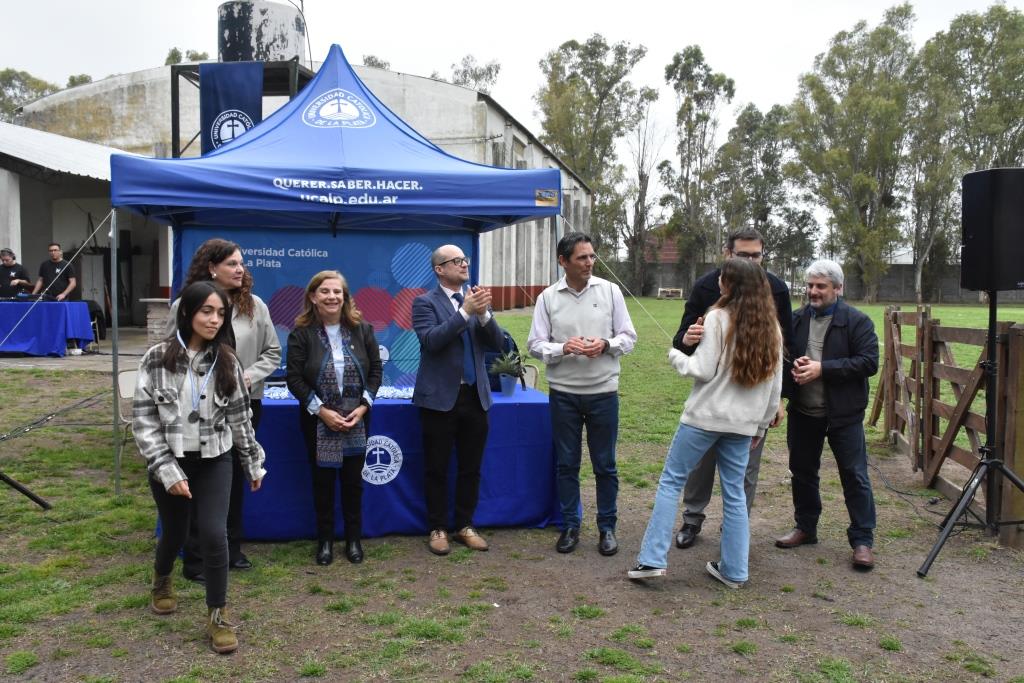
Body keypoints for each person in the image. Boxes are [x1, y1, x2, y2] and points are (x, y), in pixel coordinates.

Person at [628, 258, 782, 588]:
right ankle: (735, 571)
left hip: (703, 419)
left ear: (734, 285)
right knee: (735, 494)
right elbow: (775, 388)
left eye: (724, 279)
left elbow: (701, 369)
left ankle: (652, 560)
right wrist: (761, 425)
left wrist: (675, 356)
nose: (719, 284)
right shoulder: (773, 328)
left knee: (671, 482)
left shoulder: (717, 318)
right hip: (743, 425)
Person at [132, 281, 266, 654]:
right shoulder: (156, 359)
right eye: (207, 310)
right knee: (174, 533)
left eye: (220, 313)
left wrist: (252, 462)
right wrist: (167, 470)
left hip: (215, 460)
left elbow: (241, 419)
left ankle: (218, 615)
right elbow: (143, 424)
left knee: (213, 533)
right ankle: (162, 579)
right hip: (170, 461)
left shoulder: (227, 361)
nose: (214, 319)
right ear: (188, 312)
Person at [671, 227, 793, 550]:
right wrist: (688, 339)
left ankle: (734, 531)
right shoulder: (706, 287)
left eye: (756, 255)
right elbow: (682, 336)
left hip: (753, 397)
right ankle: (692, 519)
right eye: (744, 255)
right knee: (700, 464)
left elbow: (787, 347)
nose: (751, 261)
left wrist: (780, 400)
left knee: (746, 470)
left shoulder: (777, 289)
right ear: (728, 254)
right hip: (712, 397)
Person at [168, 239, 281, 578]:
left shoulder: (255, 306)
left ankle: (232, 548)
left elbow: (273, 353)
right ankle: (196, 555)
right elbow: (172, 356)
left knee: (231, 477)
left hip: (245, 405)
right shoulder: (185, 305)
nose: (240, 269)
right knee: (199, 477)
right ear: (211, 267)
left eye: (241, 263)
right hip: (198, 407)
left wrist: (247, 375)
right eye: (232, 263)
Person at [527, 232, 637, 556]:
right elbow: (534, 344)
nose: (590, 262)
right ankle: (571, 526)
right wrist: (563, 347)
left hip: (604, 392)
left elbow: (629, 338)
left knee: (606, 465)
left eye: (592, 257)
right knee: (567, 464)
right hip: (563, 394)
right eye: (582, 258)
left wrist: (606, 344)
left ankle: (607, 528)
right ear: (563, 261)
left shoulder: (610, 291)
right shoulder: (548, 297)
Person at [775, 259, 879, 570]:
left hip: (843, 415)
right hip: (804, 412)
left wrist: (823, 369)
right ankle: (806, 528)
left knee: (854, 475)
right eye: (809, 286)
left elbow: (868, 362)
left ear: (838, 288)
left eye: (821, 286)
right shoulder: (795, 320)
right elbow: (781, 359)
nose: (813, 292)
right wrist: (785, 385)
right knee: (803, 472)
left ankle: (862, 541)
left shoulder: (857, 321)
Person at [412, 244, 505, 556]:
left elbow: (498, 343)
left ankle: (465, 524)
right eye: (457, 261)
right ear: (440, 269)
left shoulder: (475, 300)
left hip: (474, 397)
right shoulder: (424, 302)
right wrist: (465, 311)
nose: (464, 264)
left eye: (465, 260)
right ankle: (437, 528)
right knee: (436, 467)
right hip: (439, 399)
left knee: (471, 467)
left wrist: (483, 315)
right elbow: (432, 341)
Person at [286, 270, 382, 566]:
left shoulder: (362, 330)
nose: (332, 297)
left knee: (353, 484)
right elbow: (294, 378)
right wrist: (322, 412)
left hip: (357, 419)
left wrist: (364, 406)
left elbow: (376, 371)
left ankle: (353, 540)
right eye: (325, 291)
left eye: (337, 292)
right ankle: (325, 541)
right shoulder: (301, 334)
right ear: (313, 297)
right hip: (318, 422)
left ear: (345, 297)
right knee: (323, 483)